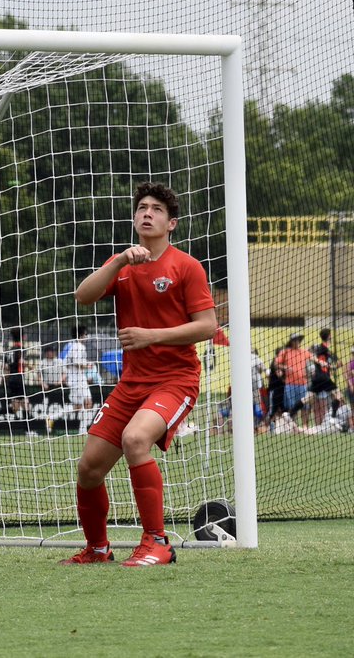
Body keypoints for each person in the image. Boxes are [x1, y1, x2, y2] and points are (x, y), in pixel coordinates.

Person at [61, 182, 217, 567]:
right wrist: (116, 263)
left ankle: (158, 542)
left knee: (135, 439)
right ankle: (98, 549)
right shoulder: (124, 265)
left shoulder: (186, 266)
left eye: (157, 209)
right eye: (142, 207)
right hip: (132, 384)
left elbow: (208, 326)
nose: (148, 213)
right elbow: (82, 297)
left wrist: (152, 336)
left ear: (171, 223)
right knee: (89, 467)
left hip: (176, 380)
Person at [274, 333, 312, 424]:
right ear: (291, 342)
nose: (297, 342)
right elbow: (276, 364)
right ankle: (293, 425)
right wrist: (285, 367)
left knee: (304, 405)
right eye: (295, 340)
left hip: (303, 383)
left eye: (298, 340)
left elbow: (313, 358)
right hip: (290, 384)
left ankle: (304, 426)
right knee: (292, 406)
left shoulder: (304, 352)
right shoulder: (285, 352)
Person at [64, 325, 92, 434]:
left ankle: (82, 430)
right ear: (81, 335)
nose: (87, 336)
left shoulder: (74, 346)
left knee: (86, 403)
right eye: (85, 334)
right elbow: (76, 362)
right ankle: (51, 417)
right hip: (77, 381)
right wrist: (87, 365)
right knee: (81, 405)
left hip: (80, 379)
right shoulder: (78, 346)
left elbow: (67, 363)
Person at [307, 328, 337, 428]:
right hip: (320, 380)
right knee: (319, 405)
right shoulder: (321, 349)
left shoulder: (325, 350)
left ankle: (320, 426)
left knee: (321, 405)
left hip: (320, 380)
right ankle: (319, 426)